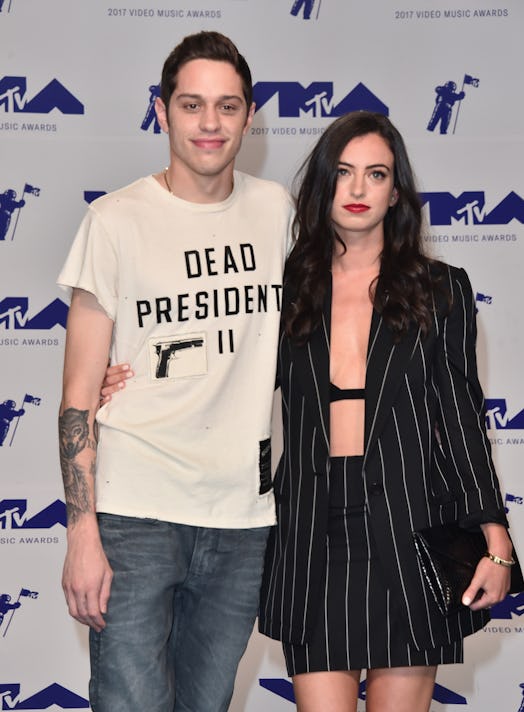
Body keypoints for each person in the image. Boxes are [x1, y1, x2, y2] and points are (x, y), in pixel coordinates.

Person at [57, 31, 292, 712]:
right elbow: (78, 395)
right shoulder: (115, 221)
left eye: (227, 106)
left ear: (251, 115)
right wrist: (81, 532)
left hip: (243, 520)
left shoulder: (277, 212)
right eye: (192, 105)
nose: (210, 124)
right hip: (134, 516)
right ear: (162, 112)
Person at [256, 111, 516, 712]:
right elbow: (229, 386)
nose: (357, 189)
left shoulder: (440, 288)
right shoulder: (285, 286)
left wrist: (495, 541)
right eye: (343, 173)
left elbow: (459, 417)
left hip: (408, 517)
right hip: (312, 527)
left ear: (395, 191)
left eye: (375, 174)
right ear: (324, 184)